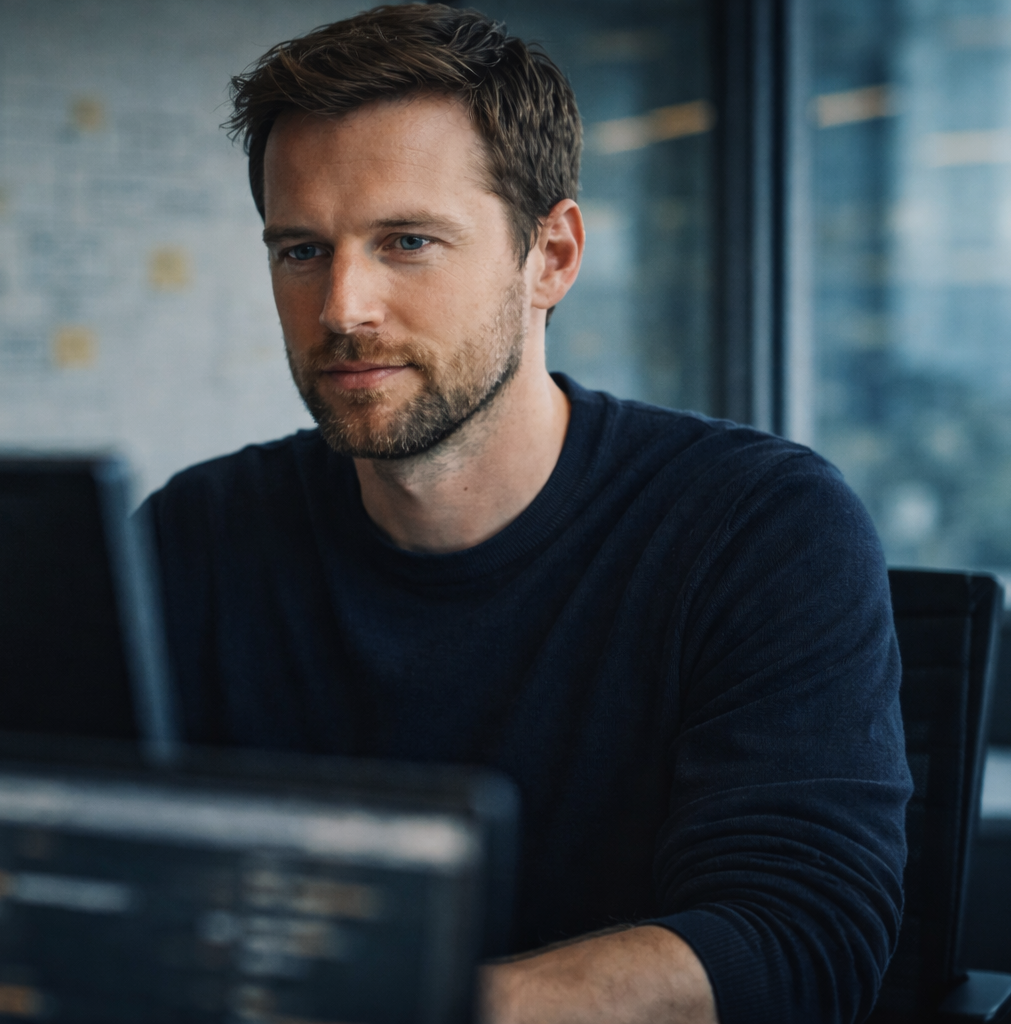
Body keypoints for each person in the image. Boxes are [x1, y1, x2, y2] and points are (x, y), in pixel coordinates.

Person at [139, 6, 911, 1023]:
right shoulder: (192, 536)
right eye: (301, 250)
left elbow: (800, 938)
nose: (342, 307)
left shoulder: (762, 528)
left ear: (550, 256)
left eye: (407, 241)